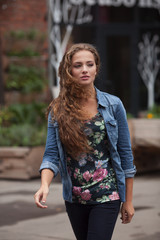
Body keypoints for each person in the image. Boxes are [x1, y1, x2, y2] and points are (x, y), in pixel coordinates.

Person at [34, 43, 136, 240]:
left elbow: (125, 154)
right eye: (77, 65)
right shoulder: (58, 110)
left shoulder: (113, 105)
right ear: (69, 70)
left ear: (96, 67)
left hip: (107, 193)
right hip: (74, 197)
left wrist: (128, 201)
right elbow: (51, 155)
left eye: (89, 64)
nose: (84, 70)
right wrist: (44, 185)